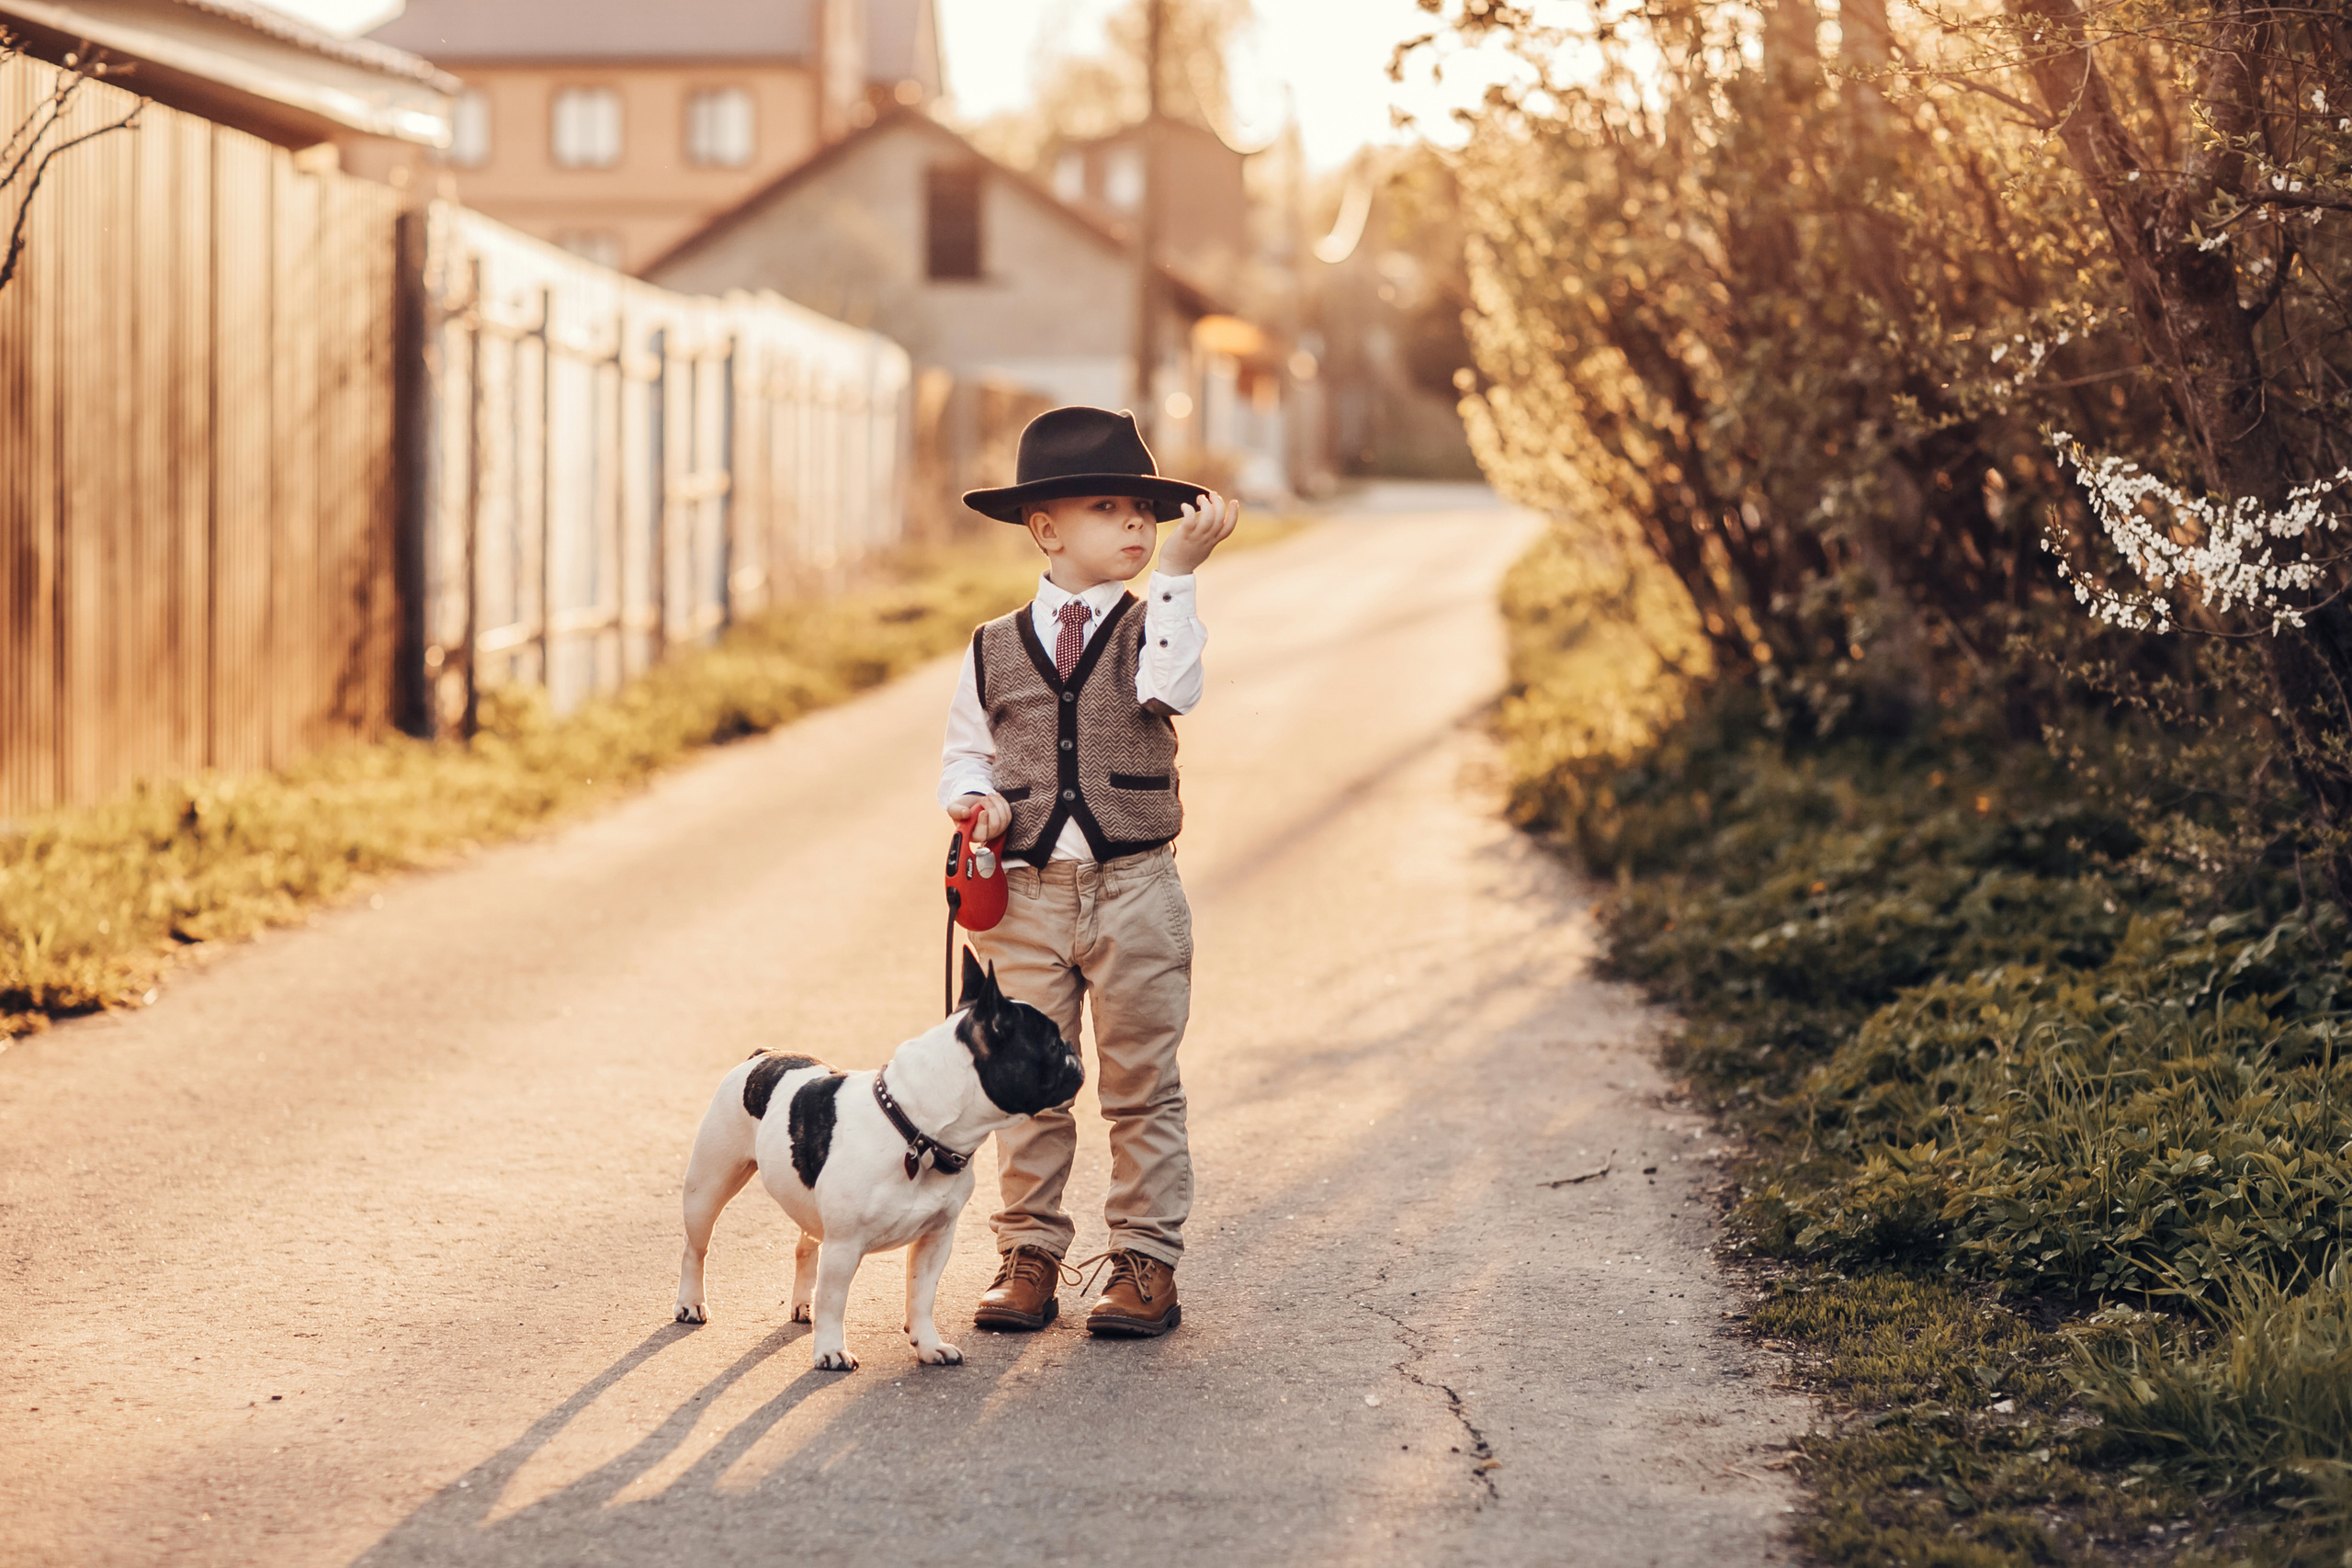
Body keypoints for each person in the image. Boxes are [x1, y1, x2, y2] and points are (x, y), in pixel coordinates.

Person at [939, 405, 1238, 1337]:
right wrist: (975, 802)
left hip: (1135, 891)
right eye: (1111, 507)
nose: (1139, 527)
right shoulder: (991, 646)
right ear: (1046, 529)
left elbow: (1173, 687)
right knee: (1026, 1083)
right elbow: (966, 754)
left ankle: (1144, 1263)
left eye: (1146, 511)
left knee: (1141, 1083)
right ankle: (1028, 1253)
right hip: (1024, 899)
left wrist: (1182, 578)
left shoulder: (1157, 626)